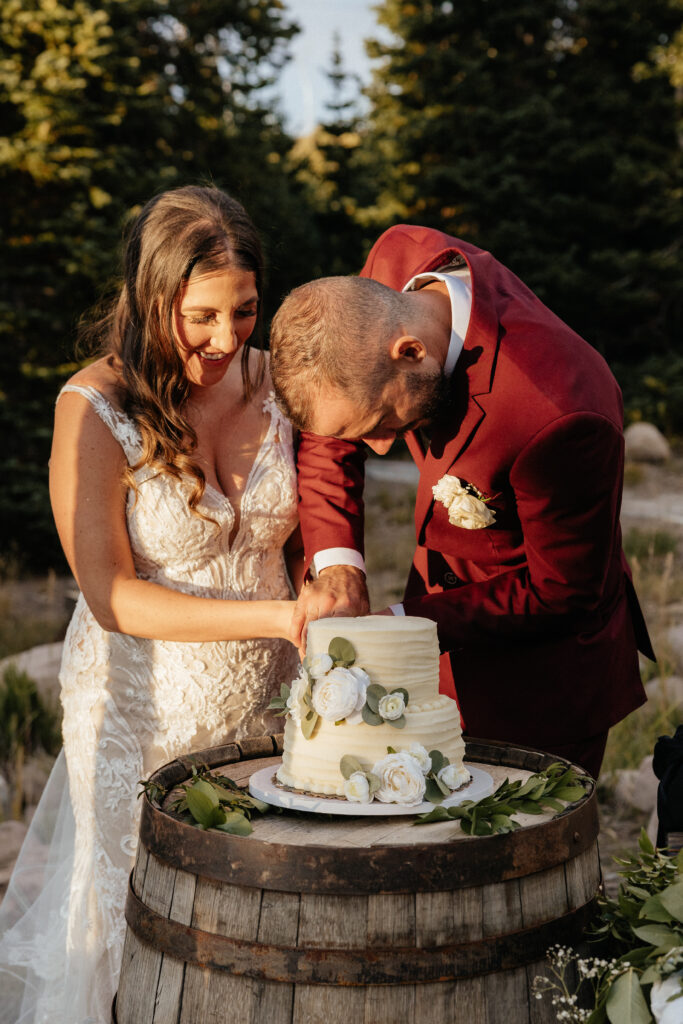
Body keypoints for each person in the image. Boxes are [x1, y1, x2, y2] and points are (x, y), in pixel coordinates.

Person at [0, 185, 302, 1023]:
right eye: (199, 315)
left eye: (243, 312)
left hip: (272, 712)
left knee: (259, 935)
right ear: (149, 294)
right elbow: (111, 596)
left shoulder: (279, 385)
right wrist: (279, 617)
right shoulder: (92, 407)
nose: (224, 338)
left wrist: (327, 594)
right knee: (142, 940)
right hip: (142, 719)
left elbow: (313, 533)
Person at [269, 222, 655, 781]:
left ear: (411, 351)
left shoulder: (561, 414)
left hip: (539, 679)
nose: (378, 447)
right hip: (435, 633)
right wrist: (338, 566)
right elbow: (332, 427)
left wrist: (400, 625)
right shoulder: (392, 267)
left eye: (382, 424)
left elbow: (561, 591)